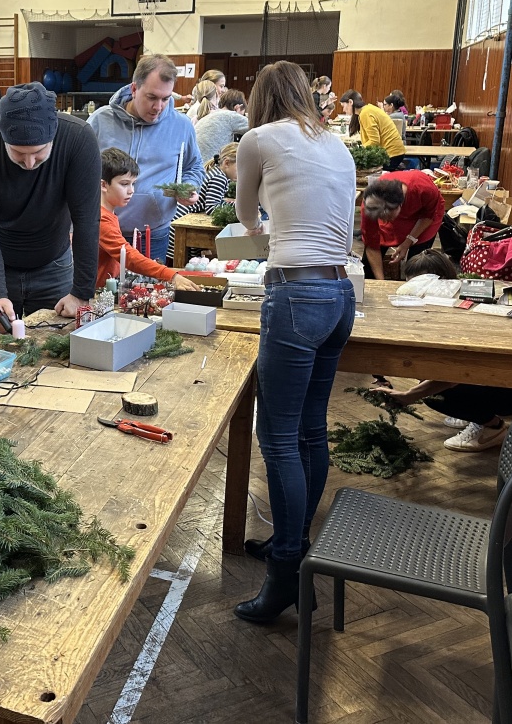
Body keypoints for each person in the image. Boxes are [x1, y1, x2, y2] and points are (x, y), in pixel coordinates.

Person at [232, 61, 356, 625]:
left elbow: (244, 213)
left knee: (278, 438)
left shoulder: (258, 139)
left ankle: (284, 571)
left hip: (295, 295)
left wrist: (262, 224)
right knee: (310, 429)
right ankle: (295, 542)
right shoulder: (337, 144)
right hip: (339, 294)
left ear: (262, 99)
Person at [0, 81, 101, 341]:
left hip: (54, 265)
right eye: (18, 153)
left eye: (38, 152)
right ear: (3, 137)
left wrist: (81, 292)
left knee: (58, 346)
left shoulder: (78, 140)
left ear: (53, 136)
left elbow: (87, 222)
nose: (29, 162)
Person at [371, 251, 512, 452]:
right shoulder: (465, 295)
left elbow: (454, 374)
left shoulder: (461, 316)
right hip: (509, 380)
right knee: (431, 378)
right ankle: (477, 412)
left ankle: (493, 427)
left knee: (435, 394)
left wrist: (408, 395)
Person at [88, 54, 204, 264]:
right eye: (151, 97)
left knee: (150, 285)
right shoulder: (100, 121)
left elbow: (193, 166)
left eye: (166, 99)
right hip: (101, 231)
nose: (158, 107)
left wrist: (189, 186)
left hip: (153, 234)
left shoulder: (182, 125)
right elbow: (78, 170)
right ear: (134, 89)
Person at [99, 149, 199, 291]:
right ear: (103, 185)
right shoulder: (101, 219)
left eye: (133, 184)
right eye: (124, 184)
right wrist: (171, 275)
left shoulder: (107, 214)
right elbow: (128, 256)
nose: (131, 190)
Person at [360, 171, 443, 279]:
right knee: (368, 268)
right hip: (398, 210)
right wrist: (380, 281)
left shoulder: (424, 189)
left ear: (400, 205)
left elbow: (428, 216)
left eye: (389, 217)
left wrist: (407, 242)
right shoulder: (371, 204)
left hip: (425, 218)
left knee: (418, 264)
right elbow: (371, 244)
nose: (386, 221)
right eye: (381, 219)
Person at [340, 89, 404, 169]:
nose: (343, 110)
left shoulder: (365, 113)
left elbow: (374, 141)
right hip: (393, 153)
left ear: (350, 102)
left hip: (392, 155)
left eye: (343, 106)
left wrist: (358, 150)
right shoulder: (366, 110)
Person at [195, 88, 249, 163]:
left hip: (198, 164)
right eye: (242, 115)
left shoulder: (210, 115)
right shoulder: (231, 116)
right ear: (237, 107)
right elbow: (257, 127)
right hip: (211, 165)